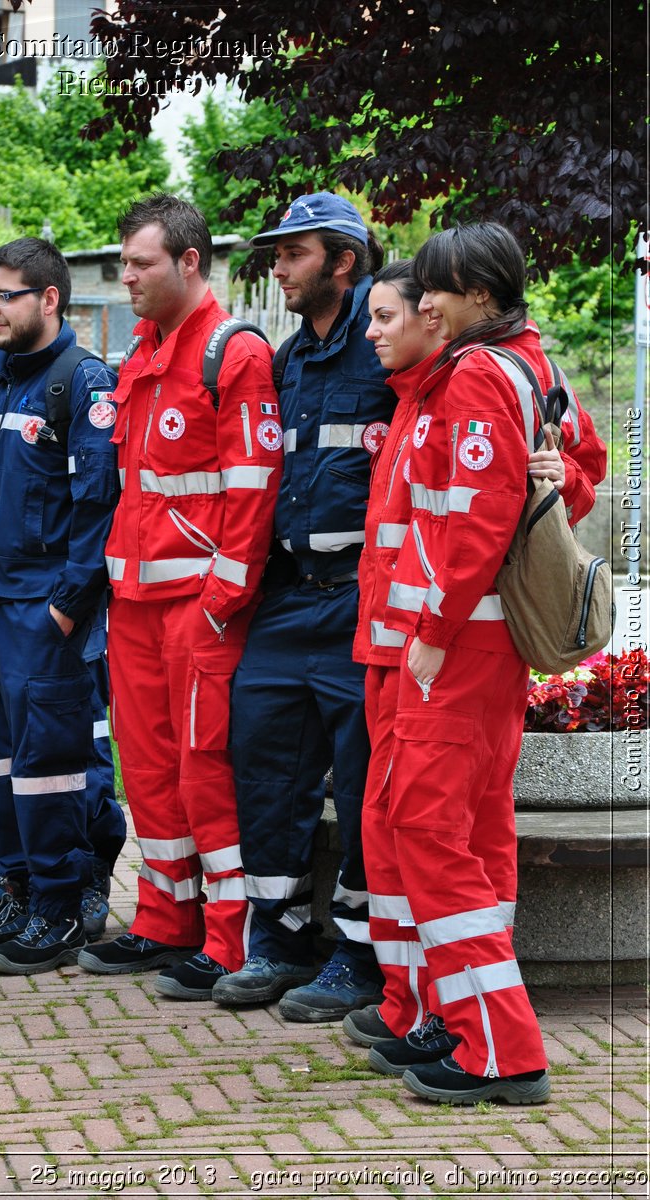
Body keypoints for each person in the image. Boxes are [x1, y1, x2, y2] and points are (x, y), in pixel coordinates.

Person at [353, 223, 607, 1104]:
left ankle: (496, 1045)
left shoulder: (473, 374)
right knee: (474, 831)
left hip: (455, 644)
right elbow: (582, 466)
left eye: (436, 291)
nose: (422, 304)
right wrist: (558, 483)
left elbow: (473, 515)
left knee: (425, 828)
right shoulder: (533, 365)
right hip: (482, 646)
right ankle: (457, 1021)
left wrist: (429, 625)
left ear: (482, 298)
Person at [78, 194, 282, 999]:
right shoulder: (142, 353)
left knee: (205, 772)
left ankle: (227, 943)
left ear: (189, 262)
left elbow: (252, 491)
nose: (125, 276)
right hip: (133, 605)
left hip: (201, 609)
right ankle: (165, 921)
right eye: (123, 262)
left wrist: (218, 604)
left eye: (140, 263)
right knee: (150, 769)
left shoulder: (233, 354)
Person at [213, 192, 392, 1022]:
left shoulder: (389, 347)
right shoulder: (287, 361)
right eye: (275, 254)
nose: (276, 267)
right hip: (287, 602)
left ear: (343, 261)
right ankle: (279, 939)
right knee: (264, 768)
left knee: (361, 790)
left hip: (361, 598)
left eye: (293, 253)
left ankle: (356, 959)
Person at [0, 236, 126, 974]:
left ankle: (62, 903)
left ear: (48, 298)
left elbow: (100, 507)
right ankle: (16, 887)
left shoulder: (80, 383)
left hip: (43, 610)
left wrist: (67, 605)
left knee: (52, 763)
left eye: (2, 295)